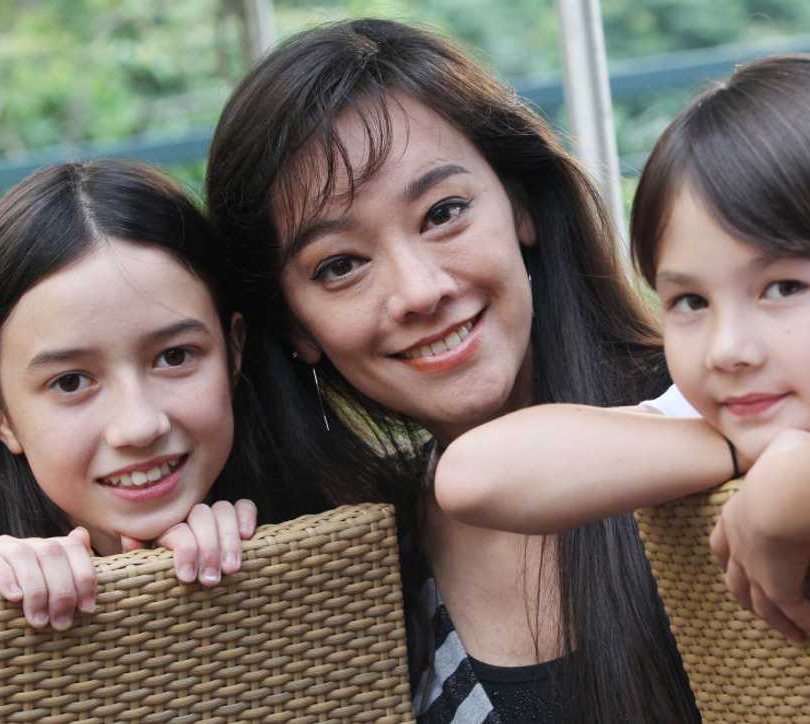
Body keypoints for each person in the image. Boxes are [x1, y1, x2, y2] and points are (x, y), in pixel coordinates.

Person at [205, 18, 712, 724]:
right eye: (341, 266)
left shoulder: (716, 397)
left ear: (521, 204)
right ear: (294, 326)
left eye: (443, 213)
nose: (419, 291)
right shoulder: (339, 560)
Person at [433, 54, 810, 644]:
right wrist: (743, 450)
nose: (727, 349)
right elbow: (476, 476)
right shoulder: (736, 411)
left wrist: (781, 498)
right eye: (690, 302)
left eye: (783, 288)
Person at [0, 160, 325, 631]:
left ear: (234, 350)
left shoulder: (370, 548)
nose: (139, 426)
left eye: (174, 357)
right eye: (70, 382)